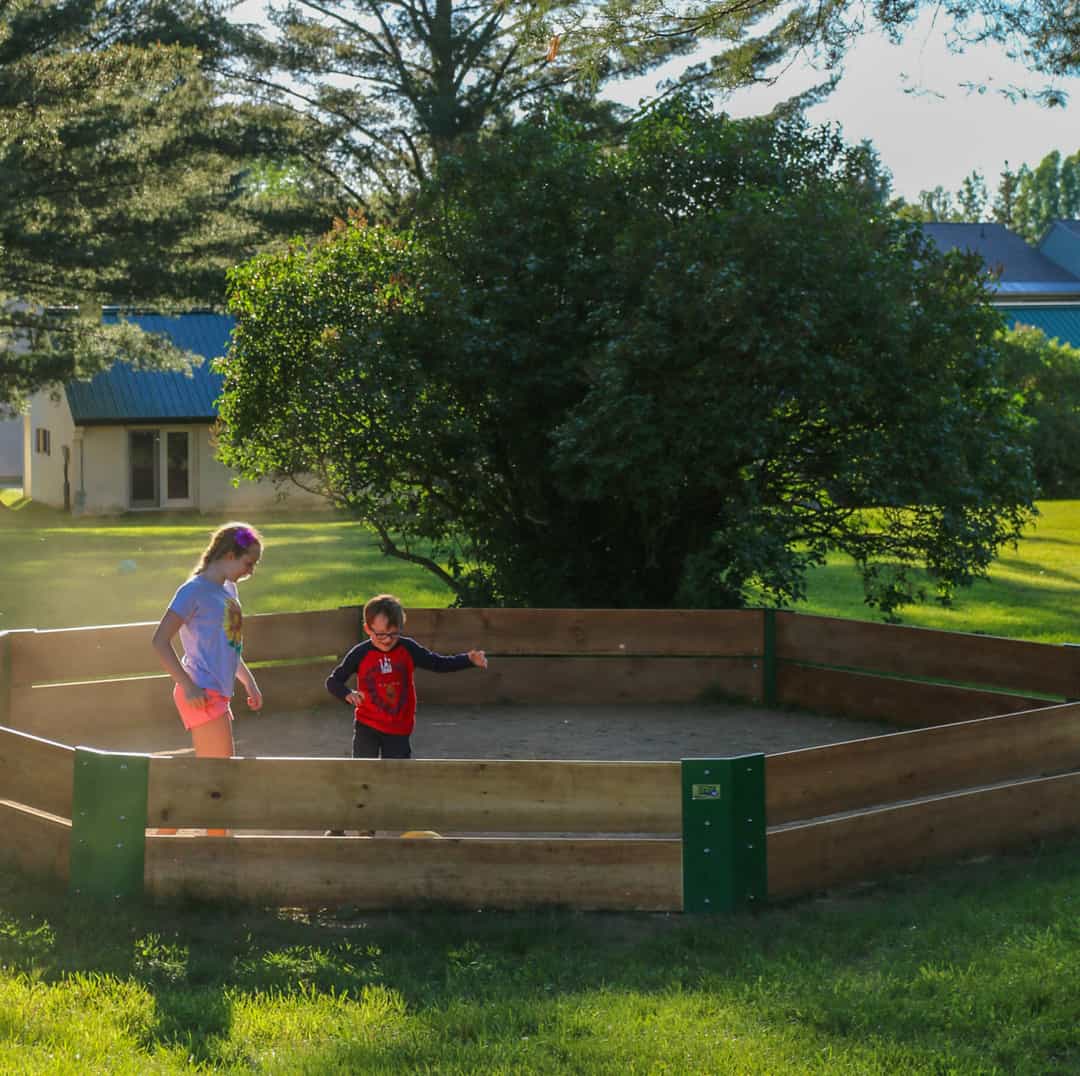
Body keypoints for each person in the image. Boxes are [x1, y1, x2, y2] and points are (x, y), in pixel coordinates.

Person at [324, 593, 487, 835]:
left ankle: (399, 821)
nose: (387, 640)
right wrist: (347, 693)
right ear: (368, 629)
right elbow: (333, 681)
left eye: (393, 633)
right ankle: (350, 824)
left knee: (398, 777)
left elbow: (438, 663)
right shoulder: (360, 653)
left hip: (398, 729)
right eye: (380, 634)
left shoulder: (408, 648)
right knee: (361, 774)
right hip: (367, 724)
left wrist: (468, 660)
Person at [151, 522, 264, 835]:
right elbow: (159, 640)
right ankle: (204, 837)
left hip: (217, 692)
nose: (250, 571)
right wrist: (188, 686)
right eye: (248, 563)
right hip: (201, 692)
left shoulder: (228, 591)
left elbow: (230, 646)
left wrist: (248, 681)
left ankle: (173, 832)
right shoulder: (194, 591)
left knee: (211, 771)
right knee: (218, 774)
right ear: (228, 554)